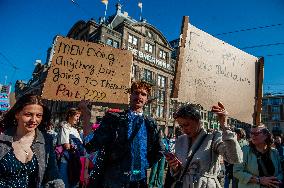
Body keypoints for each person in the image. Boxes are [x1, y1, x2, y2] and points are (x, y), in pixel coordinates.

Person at [80, 81, 164, 188]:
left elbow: (159, 149)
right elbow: (92, 143)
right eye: (136, 93)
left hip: (138, 179)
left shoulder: (151, 123)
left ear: (147, 99)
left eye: (143, 94)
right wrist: (86, 114)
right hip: (114, 180)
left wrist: (144, 164)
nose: (139, 96)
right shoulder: (113, 118)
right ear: (130, 95)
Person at [166, 102, 243, 188]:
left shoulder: (213, 137)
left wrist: (224, 126)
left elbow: (234, 159)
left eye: (186, 125)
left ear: (198, 120)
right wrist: (175, 167)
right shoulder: (180, 140)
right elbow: (179, 173)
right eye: (181, 126)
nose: (184, 129)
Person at [0, 94, 64, 187]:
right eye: (28, 114)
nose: (34, 120)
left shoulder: (46, 141)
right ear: (17, 114)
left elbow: (52, 173)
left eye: (38, 115)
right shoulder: (2, 139)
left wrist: (58, 184)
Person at [57, 107, 84, 188]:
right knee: (65, 182)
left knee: (73, 181)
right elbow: (66, 145)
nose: (77, 119)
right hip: (66, 159)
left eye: (78, 117)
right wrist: (76, 146)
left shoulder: (75, 130)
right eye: (76, 116)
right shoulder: (65, 127)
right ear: (70, 115)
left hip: (74, 159)